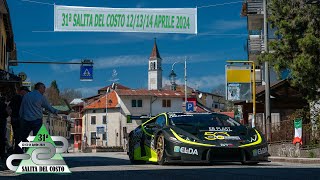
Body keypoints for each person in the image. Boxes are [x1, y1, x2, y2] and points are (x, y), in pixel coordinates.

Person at [8, 86, 30, 154]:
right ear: (22, 91)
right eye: (26, 92)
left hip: (14, 119)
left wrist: (11, 115)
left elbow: (8, 108)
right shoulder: (22, 98)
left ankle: (18, 151)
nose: (26, 93)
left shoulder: (15, 97)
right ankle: (19, 152)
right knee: (20, 136)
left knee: (17, 136)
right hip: (19, 119)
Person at [0, 96, 9, 162]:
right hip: (2, 122)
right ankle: (2, 154)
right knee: (2, 138)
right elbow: (6, 114)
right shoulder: (4, 105)